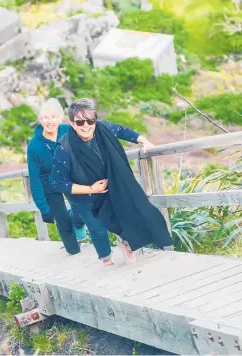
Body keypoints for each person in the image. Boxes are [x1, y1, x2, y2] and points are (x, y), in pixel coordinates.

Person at [52, 98, 174, 266]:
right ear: (72, 124)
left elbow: (122, 131)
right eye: (80, 122)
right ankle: (106, 259)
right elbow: (58, 183)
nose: (86, 125)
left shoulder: (103, 128)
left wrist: (143, 140)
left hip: (108, 187)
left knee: (127, 213)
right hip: (83, 197)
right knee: (98, 230)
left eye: (90, 120)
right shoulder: (64, 148)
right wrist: (91, 189)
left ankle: (125, 242)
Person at [27, 98, 86, 255]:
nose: (49, 121)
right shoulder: (34, 145)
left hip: (71, 178)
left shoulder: (69, 131)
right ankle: (75, 253)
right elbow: (34, 179)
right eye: (45, 118)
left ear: (60, 117)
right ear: (40, 120)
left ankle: (77, 222)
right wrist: (43, 208)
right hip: (50, 184)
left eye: (53, 117)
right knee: (64, 225)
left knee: (82, 210)